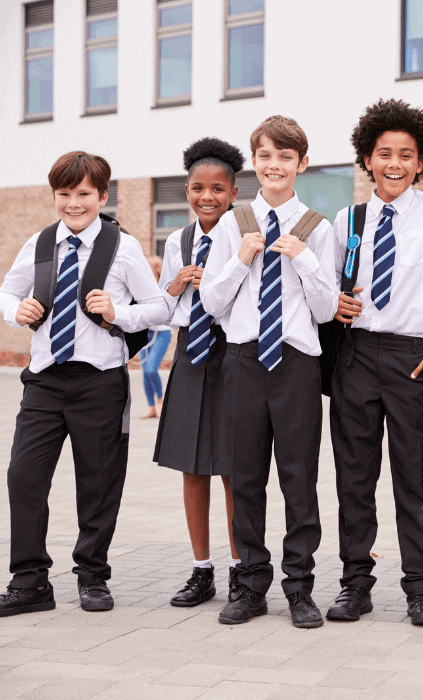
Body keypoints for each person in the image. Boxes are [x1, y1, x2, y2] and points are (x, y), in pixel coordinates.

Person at [0, 151, 169, 616]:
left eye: (83, 194)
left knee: (98, 484)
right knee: (24, 477)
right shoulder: (40, 243)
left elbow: (160, 308)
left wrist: (119, 313)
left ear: (101, 195)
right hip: (44, 383)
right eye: (64, 194)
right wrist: (15, 310)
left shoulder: (123, 247)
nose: (74, 203)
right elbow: (7, 291)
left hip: (100, 383)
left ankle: (93, 576)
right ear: (54, 195)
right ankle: (30, 582)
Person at [327, 99, 423, 626]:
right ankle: (354, 584)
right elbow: (325, 287)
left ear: (421, 161)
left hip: (414, 357)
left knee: (414, 478)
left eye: (406, 154)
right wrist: (333, 302)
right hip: (357, 354)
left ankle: (420, 588)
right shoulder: (349, 219)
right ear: (366, 159)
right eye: (384, 153)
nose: (394, 163)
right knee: (354, 477)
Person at [200, 115, 338, 628]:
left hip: (297, 365)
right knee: (246, 478)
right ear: (253, 162)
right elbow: (213, 304)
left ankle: (299, 587)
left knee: (300, 478)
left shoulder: (318, 228)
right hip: (243, 361)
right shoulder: (234, 224)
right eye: (265, 156)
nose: (274, 165)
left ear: (301, 163)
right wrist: (239, 260)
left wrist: (304, 261)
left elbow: (325, 313)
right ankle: (251, 584)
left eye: (285, 157)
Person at [154, 137, 244, 607]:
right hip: (191, 353)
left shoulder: (246, 233)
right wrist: (172, 285)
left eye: (216, 189)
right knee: (191, 467)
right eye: (196, 188)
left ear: (233, 191)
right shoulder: (178, 240)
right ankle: (200, 570)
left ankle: (238, 569)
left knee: (230, 466)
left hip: (232, 352)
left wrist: (216, 281)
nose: (206, 197)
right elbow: (168, 311)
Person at [140, 255, 171, 419]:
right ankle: (151, 407)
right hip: (146, 333)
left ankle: (160, 400)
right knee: (144, 372)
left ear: (157, 269)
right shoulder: (141, 287)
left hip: (162, 333)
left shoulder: (163, 288)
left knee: (152, 368)